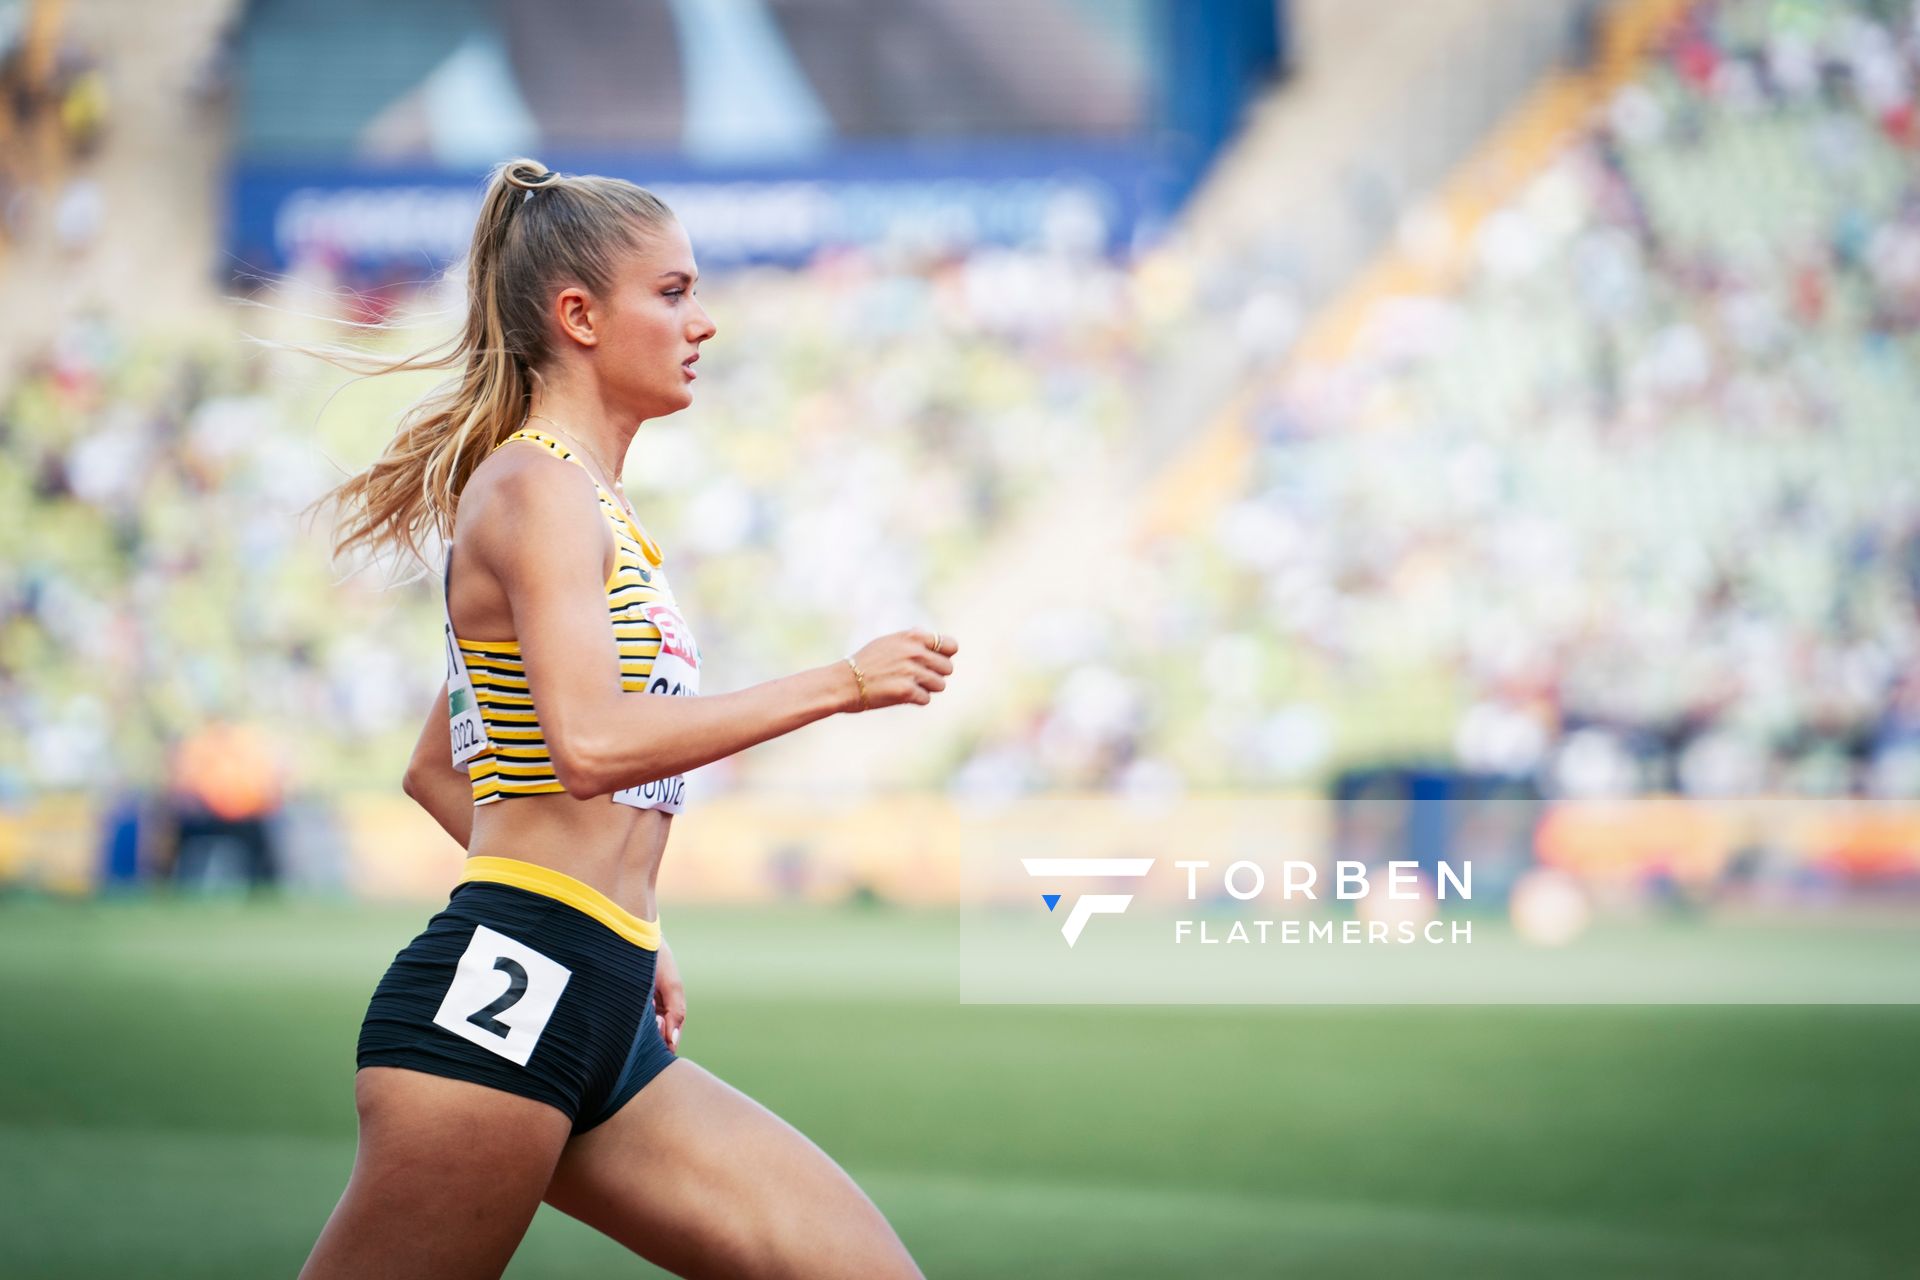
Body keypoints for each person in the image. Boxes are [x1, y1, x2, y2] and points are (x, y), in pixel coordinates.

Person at [297, 158, 954, 1279]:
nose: (704, 322)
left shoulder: (585, 503)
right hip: (503, 999)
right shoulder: (533, 488)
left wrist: (618, 909)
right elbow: (590, 746)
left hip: (596, 992)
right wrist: (842, 682)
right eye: (675, 291)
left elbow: (437, 768)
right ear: (580, 316)